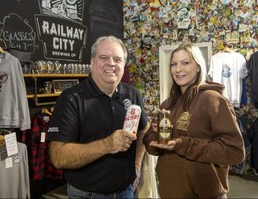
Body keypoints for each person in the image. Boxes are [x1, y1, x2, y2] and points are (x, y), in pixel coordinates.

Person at [46, 35, 149, 198]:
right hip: (86, 194)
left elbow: (144, 128)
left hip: (126, 192)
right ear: (92, 62)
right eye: (104, 57)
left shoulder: (132, 94)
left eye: (117, 59)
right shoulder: (71, 99)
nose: (111, 63)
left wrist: (137, 164)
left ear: (123, 65)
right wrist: (107, 145)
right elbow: (58, 157)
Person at [143, 42, 245, 199]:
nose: (178, 69)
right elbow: (151, 147)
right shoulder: (167, 104)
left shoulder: (212, 100)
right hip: (169, 192)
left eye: (185, 63)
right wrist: (155, 136)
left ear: (198, 67)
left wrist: (183, 144)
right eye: (174, 64)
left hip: (205, 194)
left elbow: (234, 152)